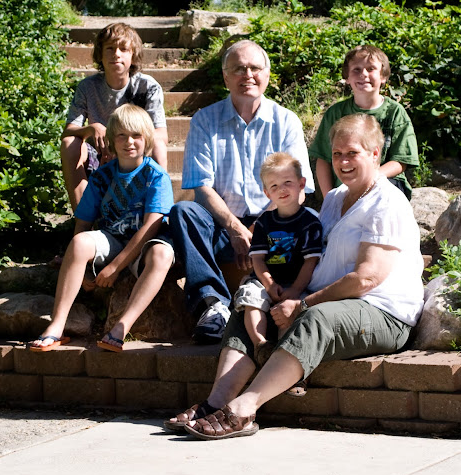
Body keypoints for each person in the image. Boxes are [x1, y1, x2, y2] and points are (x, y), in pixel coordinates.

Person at [164, 114, 424, 439]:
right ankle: (215, 402)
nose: (343, 161)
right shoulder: (334, 200)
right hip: (327, 299)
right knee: (250, 302)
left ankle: (243, 410)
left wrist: (301, 304)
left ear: (375, 153)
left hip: (382, 311)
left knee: (315, 319)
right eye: (337, 153)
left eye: (352, 153)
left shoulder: (386, 202)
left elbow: (365, 279)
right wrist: (274, 287)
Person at [169, 39, 315, 344]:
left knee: (304, 222)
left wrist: (259, 230)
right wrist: (235, 228)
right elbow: (199, 185)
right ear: (226, 77)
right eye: (238, 69)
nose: (247, 74)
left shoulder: (286, 121)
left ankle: (282, 305)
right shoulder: (204, 120)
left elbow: (299, 189)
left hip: (274, 225)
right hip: (224, 226)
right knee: (184, 212)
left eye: (254, 68)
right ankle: (215, 304)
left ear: (267, 75)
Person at [29, 104, 174, 353]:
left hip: (147, 244)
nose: (129, 142)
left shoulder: (155, 176)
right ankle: (57, 326)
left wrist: (116, 267)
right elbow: (83, 223)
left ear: (147, 138)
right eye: (122, 135)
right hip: (112, 238)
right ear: (111, 141)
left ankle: (121, 328)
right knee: (80, 242)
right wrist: (82, 264)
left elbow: (152, 225)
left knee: (163, 255)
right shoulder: (102, 176)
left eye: (136, 136)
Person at [61, 22, 168, 212]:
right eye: (110, 48)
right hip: (100, 154)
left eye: (123, 49)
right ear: (100, 55)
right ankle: (84, 216)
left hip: (137, 152)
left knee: (158, 143)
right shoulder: (87, 87)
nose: (116, 54)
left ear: (133, 56)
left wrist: (125, 145)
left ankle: (158, 210)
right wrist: (91, 129)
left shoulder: (148, 86)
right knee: (70, 143)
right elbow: (69, 130)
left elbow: (160, 133)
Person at [234, 152, 322, 361]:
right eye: (274, 186)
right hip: (267, 280)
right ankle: (260, 345)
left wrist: (295, 290)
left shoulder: (310, 223)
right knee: (251, 296)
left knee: (292, 314)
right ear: (266, 193)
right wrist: (269, 284)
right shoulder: (265, 222)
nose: (281, 189)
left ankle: (282, 353)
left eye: (287, 182)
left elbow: (311, 262)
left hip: (297, 282)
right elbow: (258, 259)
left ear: (302, 184)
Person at [309, 44, 419, 200]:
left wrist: (369, 179)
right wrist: (330, 198)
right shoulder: (335, 113)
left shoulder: (395, 112)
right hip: (344, 187)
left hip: (384, 183)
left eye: (371, 69)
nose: (364, 74)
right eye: (356, 70)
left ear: (383, 77)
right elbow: (323, 159)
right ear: (347, 77)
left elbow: (400, 161)